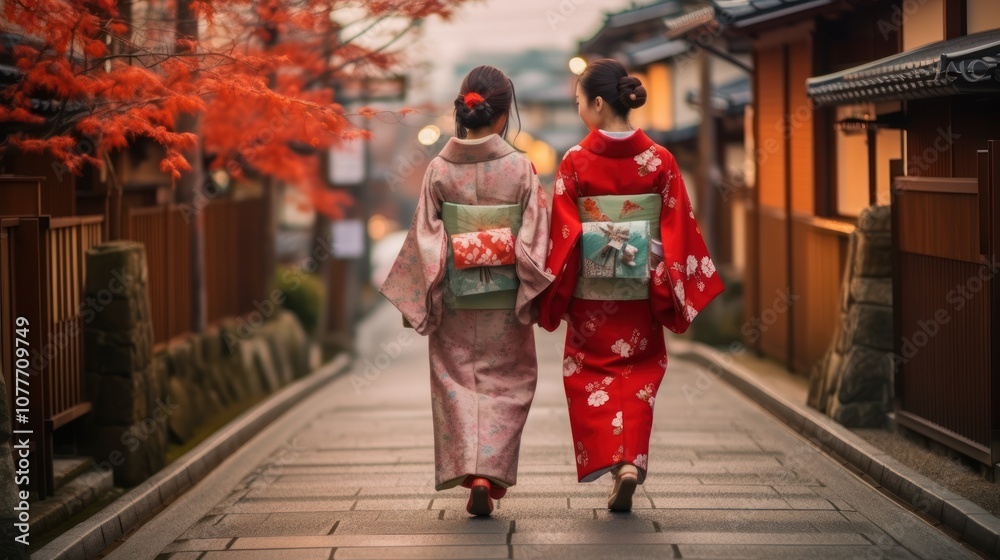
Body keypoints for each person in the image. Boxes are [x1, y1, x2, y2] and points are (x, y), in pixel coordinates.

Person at [539, 58, 723, 512]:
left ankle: (612, 459)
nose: (579, 108)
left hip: (590, 294)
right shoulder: (660, 160)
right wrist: (648, 258)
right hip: (642, 289)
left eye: (580, 101)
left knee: (588, 376)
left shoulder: (575, 161)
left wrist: (561, 283)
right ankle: (630, 463)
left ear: (598, 103)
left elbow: (562, 232)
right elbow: (678, 228)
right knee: (638, 374)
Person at [380, 65, 553, 516]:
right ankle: (489, 471)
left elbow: (424, 236)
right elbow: (536, 236)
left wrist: (441, 274)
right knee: (510, 381)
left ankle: (471, 469)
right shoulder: (520, 168)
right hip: (506, 297)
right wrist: (529, 281)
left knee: (455, 380)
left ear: (464, 112)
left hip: (456, 295)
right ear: (501, 116)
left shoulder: (438, 169)